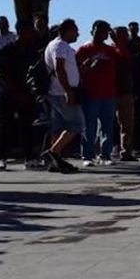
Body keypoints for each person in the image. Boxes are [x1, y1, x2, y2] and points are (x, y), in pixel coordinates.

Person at [0, 20, 40, 170]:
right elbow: (1, 74)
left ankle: (29, 157)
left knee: (27, 126)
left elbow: (35, 73)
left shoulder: (32, 51)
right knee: (5, 125)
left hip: (27, 93)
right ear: (21, 32)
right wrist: (14, 91)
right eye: (29, 31)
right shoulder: (6, 51)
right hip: (8, 93)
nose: (32, 33)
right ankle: (1, 158)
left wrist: (31, 90)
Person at [75, 20, 120, 166]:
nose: (101, 34)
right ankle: (87, 156)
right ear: (92, 31)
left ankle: (105, 155)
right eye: (98, 30)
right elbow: (77, 71)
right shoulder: (83, 50)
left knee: (108, 126)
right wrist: (91, 66)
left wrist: (118, 41)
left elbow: (124, 59)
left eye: (105, 31)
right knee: (89, 126)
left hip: (108, 94)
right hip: (91, 93)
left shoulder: (111, 50)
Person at [41, 18, 83, 173]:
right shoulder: (60, 46)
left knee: (58, 126)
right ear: (68, 30)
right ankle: (53, 152)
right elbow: (59, 68)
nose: (77, 34)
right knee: (77, 124)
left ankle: (55, 161)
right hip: (61, 92)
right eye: (75, 31)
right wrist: (68, 91)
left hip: (56, 92)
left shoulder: (54, 45)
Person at [111, 26, 137, 161]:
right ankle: (104, 150)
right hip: (113, 91)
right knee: (108, 123)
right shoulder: (112, 50)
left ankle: (126, 151)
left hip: (125, 91)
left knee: (126, 124)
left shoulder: (129, 49)